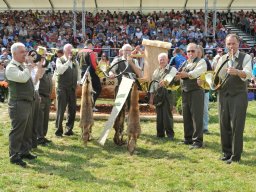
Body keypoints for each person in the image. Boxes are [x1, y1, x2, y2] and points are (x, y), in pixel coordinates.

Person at [216, 34, 252, 164]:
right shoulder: (222, 58)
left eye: (233, 44)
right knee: (223, 124)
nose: (231, 46)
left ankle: (236, 156)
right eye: (229, 44)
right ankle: (226, 152)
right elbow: (217, 76)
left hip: (238, 95)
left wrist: (237, 71)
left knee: (237, 126)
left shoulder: (246, 57)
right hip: (223, 95)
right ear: (226, 45)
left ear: (239, 43)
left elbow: (248, 74)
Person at [5, 42, 37, 167]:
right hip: (18, 103)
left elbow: (31, 79)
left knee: (27, 129)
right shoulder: (11, 67)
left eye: (25, 51)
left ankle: (24, 151)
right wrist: (29, 65)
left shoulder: (21, 65)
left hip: (26, 101)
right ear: (14, 54)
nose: (25, 54)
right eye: (22, 52)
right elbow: (23, 78)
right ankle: (14, 155)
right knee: (18, 130)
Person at [176, 43, 207, 149]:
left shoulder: (201, 61)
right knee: (187, 116)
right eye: (188, 51)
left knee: (197, 117)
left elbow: (198, 72)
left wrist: (187, 74)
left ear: (197, 52)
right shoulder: (185, 62)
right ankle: (188, 139)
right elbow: (178, 74)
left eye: (192, 51)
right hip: (185, 91)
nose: (190, 53)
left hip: (196, 92)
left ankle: (198, 141)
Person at [110, 44, 142, 145]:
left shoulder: (135, 61)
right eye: (126, 50)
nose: (128, 52)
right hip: (120, 88)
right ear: (122, 51)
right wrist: (111, 73)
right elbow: (111, 69)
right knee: (119, 112)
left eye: (129, 50)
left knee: (132, 111)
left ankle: (131, 134)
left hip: (132, 90)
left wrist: (131, 62)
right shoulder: (117, 60)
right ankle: (118, 133)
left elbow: (140, 74)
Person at [55, 43, 81, 137]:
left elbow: (78, 71)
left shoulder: (75, 61)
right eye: (69, 50)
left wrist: (79, 82)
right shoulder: (59, 60)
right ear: (65, 51)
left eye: (72, 50)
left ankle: (69, 129)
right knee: (61, 109)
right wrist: (68, 61)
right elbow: (60, 70)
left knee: (72, 109)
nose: (71, 52)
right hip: (62, 87)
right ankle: (58, 130)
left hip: (72, 88)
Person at [149, 53, 177, 140]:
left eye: (163, 59)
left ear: (167, 60)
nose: (162, 61)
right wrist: (151, 98)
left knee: (167, 115)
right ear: (158, 61)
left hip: (167, 94)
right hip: (158, 94)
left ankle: (170, 135)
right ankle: (160, 134)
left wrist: (164, 81)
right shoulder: (156, 71)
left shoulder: (172, 69)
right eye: (160, 59)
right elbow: (153, 86)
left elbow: (170, 77)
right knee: (159, 115)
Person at [78, 39, 101, 112]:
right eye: (92, 45)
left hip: (82, 74)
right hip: (91, 74)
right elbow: (94, 64)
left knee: (86, 91)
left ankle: (86, 106)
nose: (93, 47)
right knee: (97, 89)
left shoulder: (79, 52)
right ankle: (91, 105)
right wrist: (100, 73)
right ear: (90, 44)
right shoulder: (91, 52)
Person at [37, 48, 53, 145]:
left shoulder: (48, 64)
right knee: (40, 118)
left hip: (47, 95)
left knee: (45, 117)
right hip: (41, 95)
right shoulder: (38, 66)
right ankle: (39, 137)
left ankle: (43, 135)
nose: (45, 56)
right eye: (43, 55)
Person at [197, 45, 212, 135]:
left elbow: (211, 74)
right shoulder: (191, 62)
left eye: (199, 52)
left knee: (204, 109)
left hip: (204, 89)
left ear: (202, 52)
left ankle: (205, 127)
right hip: (193, 89)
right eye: (196, 52)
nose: (197, 54)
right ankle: (197, 127)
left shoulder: (206, 61)